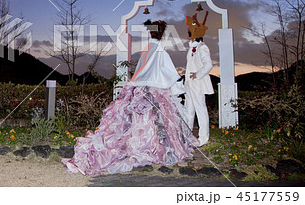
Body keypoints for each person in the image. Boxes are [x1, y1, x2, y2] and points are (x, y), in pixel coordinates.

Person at [61, 20, 198, 175]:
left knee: (135, 122)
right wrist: (179, 83)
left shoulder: (147, 49)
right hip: (155, 90)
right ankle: (153, 148)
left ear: (151, 33)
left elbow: (141, 70)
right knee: (157, 121)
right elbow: (169, 72)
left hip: (139, 88)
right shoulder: (159, 50)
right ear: (162, 34)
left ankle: (136, 145)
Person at [184, 11, 214, 147]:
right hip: (189, 83)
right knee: (188, 109)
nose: (187, 33)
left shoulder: (202, 47)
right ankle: (186, 135)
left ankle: (203, 138)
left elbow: (208, 65)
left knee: (200, 109)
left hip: (197, 82)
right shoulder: (192, 48)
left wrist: (197, 74)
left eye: (189, 31)